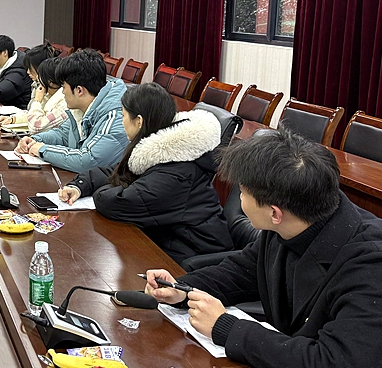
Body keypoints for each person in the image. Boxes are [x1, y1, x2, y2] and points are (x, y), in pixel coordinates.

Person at [145, 128, 382, 368]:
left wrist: (226, 328)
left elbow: (334, 360)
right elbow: (242, 272)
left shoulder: (371, 264)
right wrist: (182, 290)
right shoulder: (294, 219)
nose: (239, 199)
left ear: (274, 213)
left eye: (242, 193)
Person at [59, 83, 232, 263]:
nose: (122, 122)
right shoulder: (160, 150)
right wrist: (80, 185)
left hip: (193, 257)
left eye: (123, 116)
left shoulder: (177, 171)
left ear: (139, 121)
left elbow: (115, 203)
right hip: (167, 242)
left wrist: (105, 188)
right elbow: (119, 172)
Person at [15, 49, 128, 173]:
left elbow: (88, 160)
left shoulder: (117, 116)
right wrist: (35, 140)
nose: (62, 92)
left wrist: (42, 149)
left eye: (63, 87)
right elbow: (63, 134)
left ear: (79, 90)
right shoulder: (84, 107)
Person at [0, 56, 73, 135]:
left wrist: (37, 101)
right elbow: (32, 114)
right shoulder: (49, 95)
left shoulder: (64, 102)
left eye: (41, 77)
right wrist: (13, 119)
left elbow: (37, 127)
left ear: (50, 82)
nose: (38, 79)